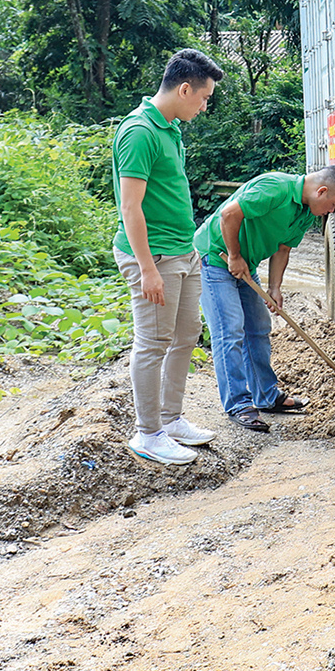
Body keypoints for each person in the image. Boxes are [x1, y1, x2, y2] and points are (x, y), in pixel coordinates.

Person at [112, 49, 224, 465]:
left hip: (183, 250)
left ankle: (171, 418)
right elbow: (130, 208)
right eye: (204, 97)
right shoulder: (139, 132)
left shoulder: (170, 129)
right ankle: (147, 433)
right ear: (184, 89)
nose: (204, 105)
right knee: (152, 342)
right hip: (154, 256)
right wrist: (146, 269)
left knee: (185, 336)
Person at [195, 167, 335, 432]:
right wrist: (234, 256)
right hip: (216, 258)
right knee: (230, 331)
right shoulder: (275, 188)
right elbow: (229, 214)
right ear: (322, 191)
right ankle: (237, 404)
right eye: (333, 205)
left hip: (246, 265)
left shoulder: (305, 212)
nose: (331, 212)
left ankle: (266, 397)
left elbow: (283, 248)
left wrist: (276, 287)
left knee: (258, 327)